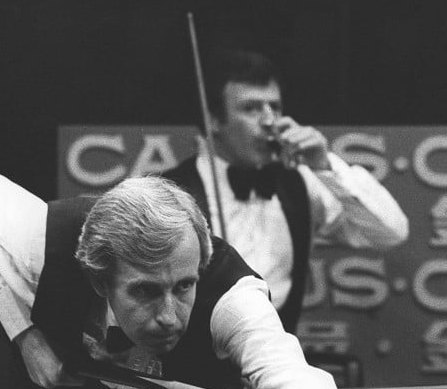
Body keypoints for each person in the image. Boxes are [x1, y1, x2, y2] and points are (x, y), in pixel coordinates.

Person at [0, 171, 350, 389]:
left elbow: (278, 358)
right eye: (144, 292)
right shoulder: (44, 244)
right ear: (99, 281)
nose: (169, 317)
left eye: (184, 286)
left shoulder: (231, 296)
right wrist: (24, 334)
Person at [161, 50, 408, 333]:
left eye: (275, 107)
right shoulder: (171, 193)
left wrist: (325, 164)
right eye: (252, 108)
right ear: (213, 120)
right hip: (193, 366)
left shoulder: (300, 181)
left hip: (276, 359)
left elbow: (391, 233)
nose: (270, 121)